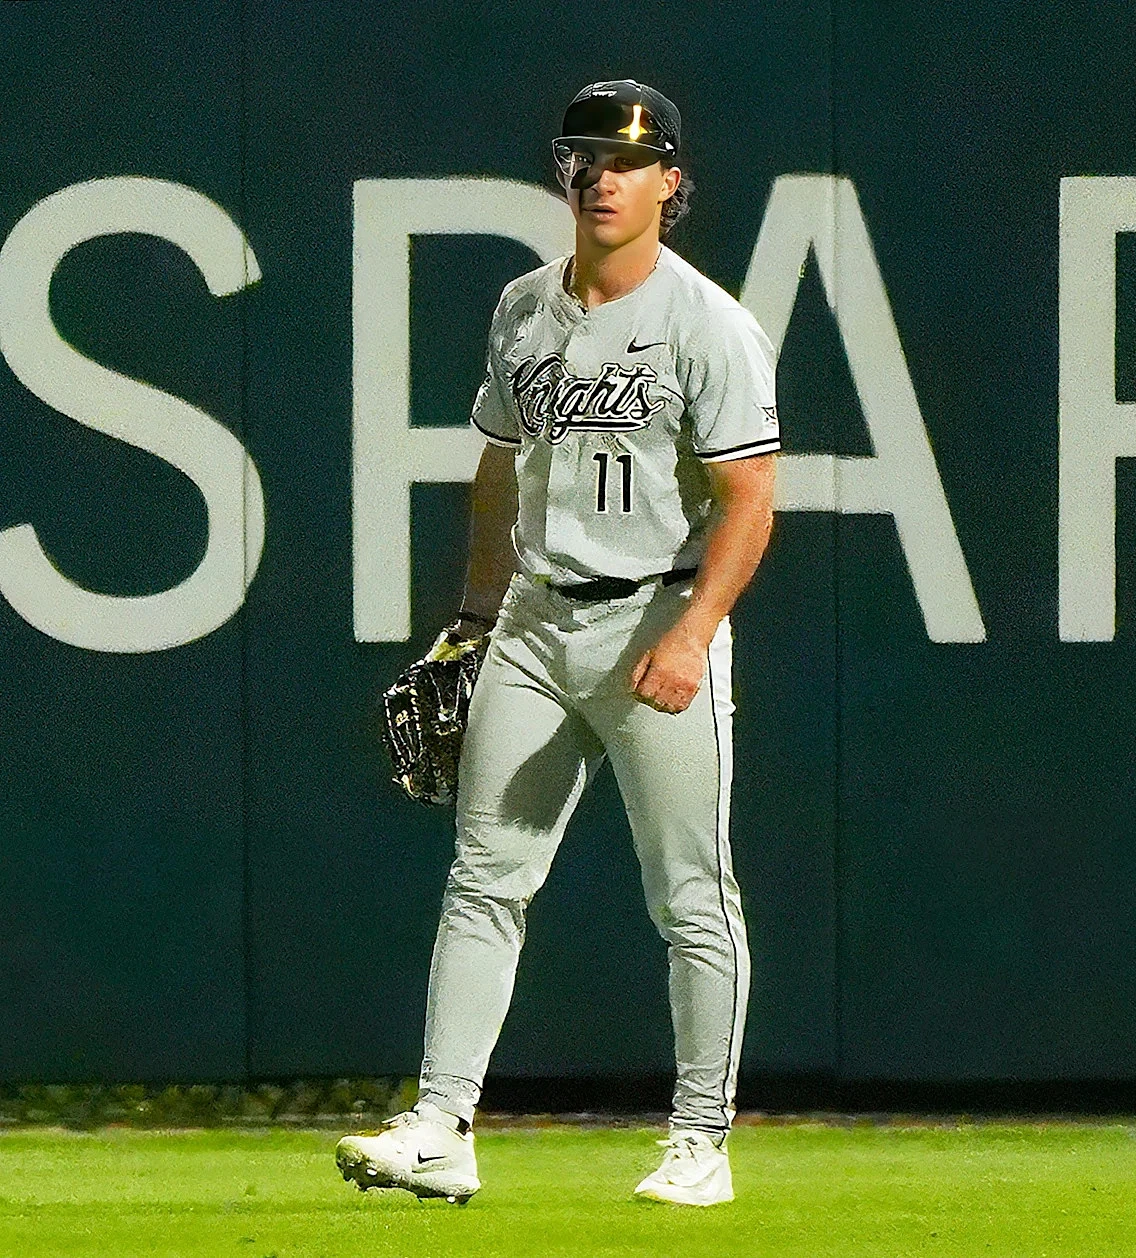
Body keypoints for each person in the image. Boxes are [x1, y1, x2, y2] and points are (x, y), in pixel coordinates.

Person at [337, 78, 779, 1207]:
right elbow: (500, 462)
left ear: (671, 182)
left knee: (690, 894)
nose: (602, 178)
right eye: (585, 157)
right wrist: (474, 617)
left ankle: (701, 1141)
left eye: (628, 161)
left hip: (654, 616)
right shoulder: (523, 306)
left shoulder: (709, 324)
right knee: (484, 876)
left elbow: (750, 499)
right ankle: (442, 1126)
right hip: (535, 620)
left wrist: (696, 632)